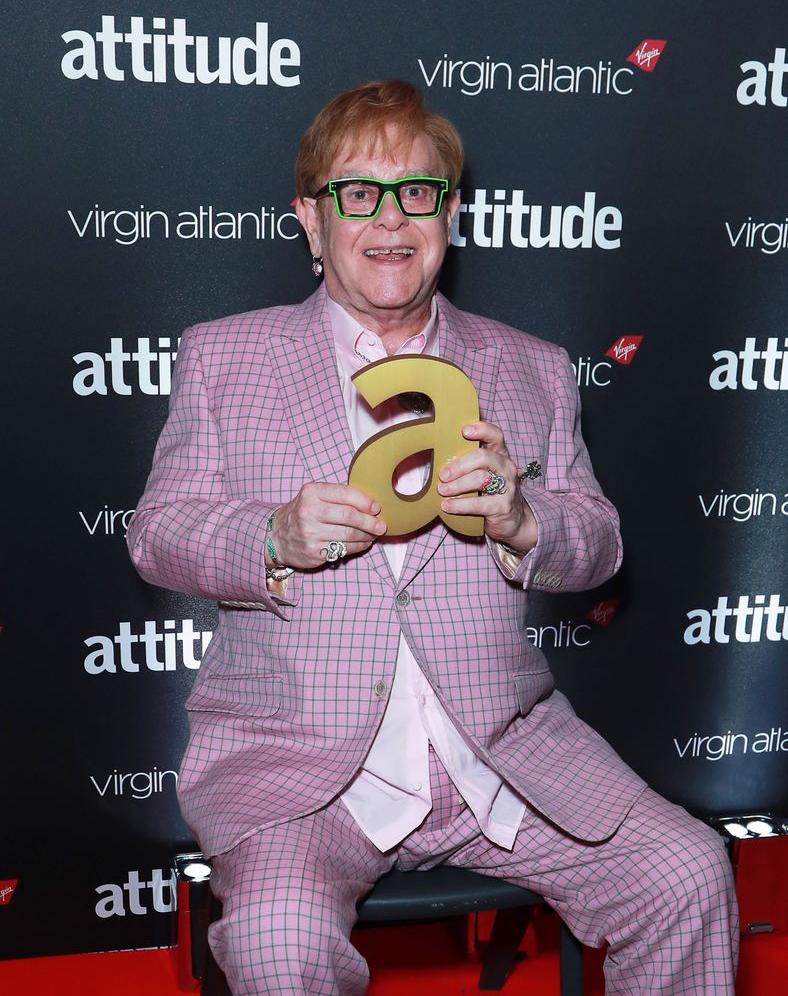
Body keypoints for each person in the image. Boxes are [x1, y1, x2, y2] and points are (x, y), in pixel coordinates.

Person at [128, 80, 738, 995]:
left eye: (417, 191)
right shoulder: (226, 356)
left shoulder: (529, 367)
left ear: (449, 212)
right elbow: (157, 533)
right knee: (276, 944)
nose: (389, 217)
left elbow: (600, 542)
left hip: (504, 758)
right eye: (356, 193)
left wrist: (527, 520)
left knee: (686, 874)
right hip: (306, 773)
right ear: (309, 217)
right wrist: (273, 535)